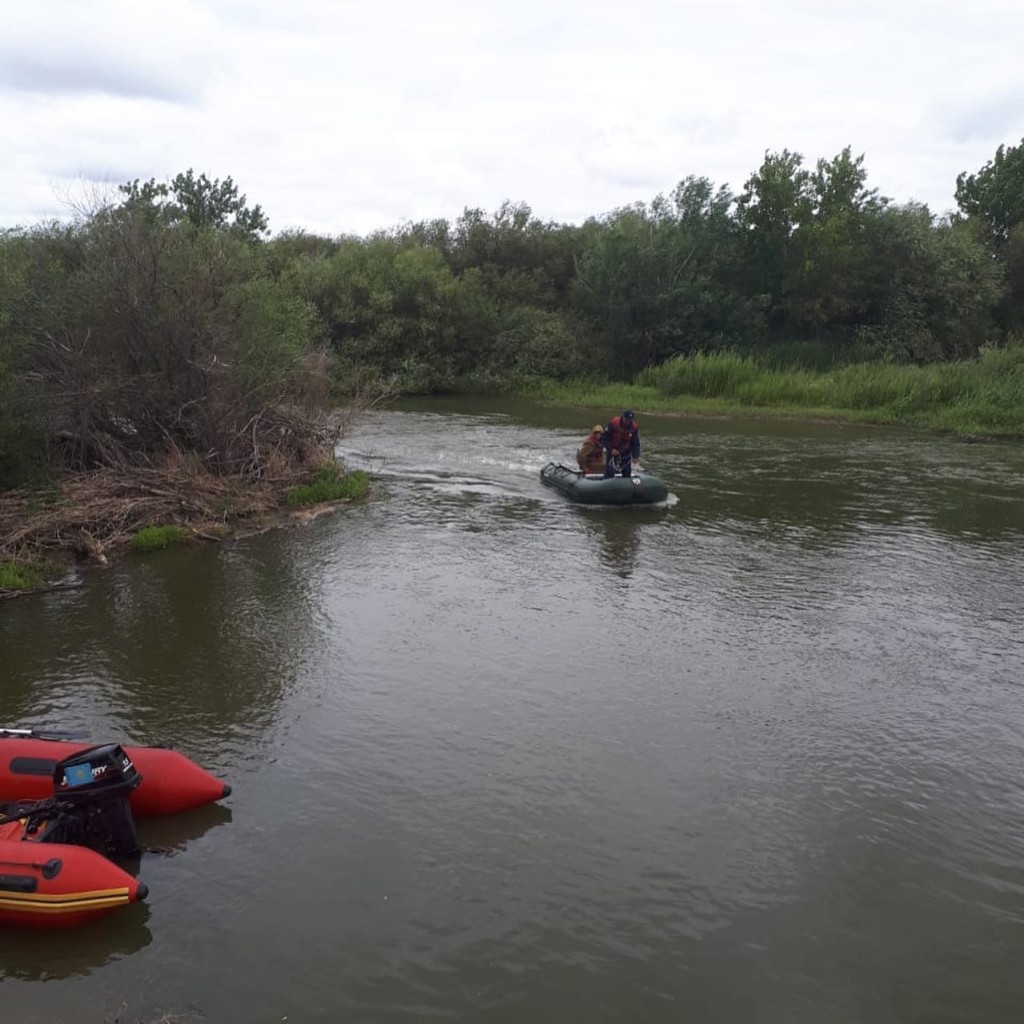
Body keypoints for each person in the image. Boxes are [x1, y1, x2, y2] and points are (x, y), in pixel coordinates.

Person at [603, 409, 640, 478]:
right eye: (626, 420)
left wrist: (635, 455)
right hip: (612, 452)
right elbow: (605, 439)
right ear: (623, 417)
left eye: (630, 420)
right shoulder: (613, 423)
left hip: (625, 453)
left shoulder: (634, 428)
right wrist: (611, 450)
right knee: (609, 472)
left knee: (626, 473)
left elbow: (635, 442)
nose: (628, 422)